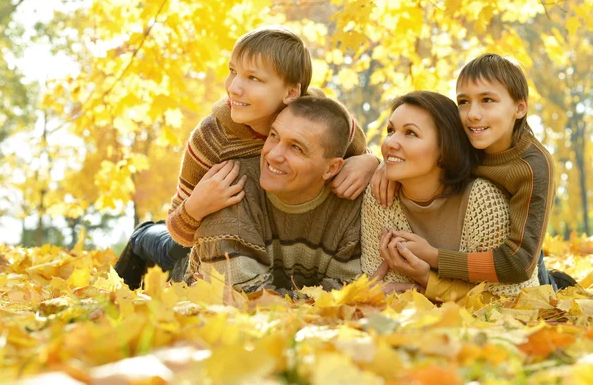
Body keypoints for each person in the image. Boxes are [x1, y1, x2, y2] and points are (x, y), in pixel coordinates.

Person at [114, 26, 378, 290]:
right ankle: (140, 237)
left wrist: (369, 162)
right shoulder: (211, 139)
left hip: (263, 240)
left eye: (253, 78)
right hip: (200, 238)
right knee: (165, 247)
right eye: (232, 71)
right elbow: (179, 230)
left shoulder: (325, 121)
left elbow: (355, 156)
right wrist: (198, 205)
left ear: (290, 93)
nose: (234, 87)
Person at [370, 54, 576, 290]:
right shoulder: (469, 137)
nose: (472, 114)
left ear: (519, 108)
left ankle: (557, 283)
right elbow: (416, 150)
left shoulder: (533, 166)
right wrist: (382, 165)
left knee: (543, 286)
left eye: (487, 100)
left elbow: (519, 264)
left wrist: (434, 256)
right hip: (469, 245)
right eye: (463, 102)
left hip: (520, 261)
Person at [362, 91, 539, 302]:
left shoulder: (483, 201)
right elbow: (378, 282)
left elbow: (509, 299)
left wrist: (425, 283)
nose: (390, 143)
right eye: (391, 130)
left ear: (445, 149)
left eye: (410, 133)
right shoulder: (379, 196)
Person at [184, 96, 364, 293]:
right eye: (274, 136)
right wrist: (311, 304)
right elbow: (242, 297)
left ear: (331, 168)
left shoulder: (357, 205)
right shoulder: (228, 188)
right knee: (156, 245)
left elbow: (347, 294)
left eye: (296, 147)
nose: (273, 155)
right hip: (183, 266)